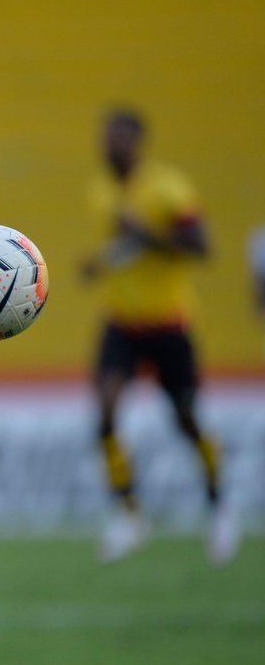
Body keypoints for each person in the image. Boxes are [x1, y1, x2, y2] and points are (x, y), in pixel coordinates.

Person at [82, 107, 239, 565]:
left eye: (119, 139)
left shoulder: (169, 188)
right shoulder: (99, 191)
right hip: (121, 322)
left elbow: (201, 247)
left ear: (138, 143)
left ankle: (220, 505)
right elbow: (125, 249)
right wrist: (101, 263)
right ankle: (129, 514)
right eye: (106, 137)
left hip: (170, 322)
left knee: (186, 419)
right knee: (106, 412)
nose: (110, 146)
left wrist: (147, 234)